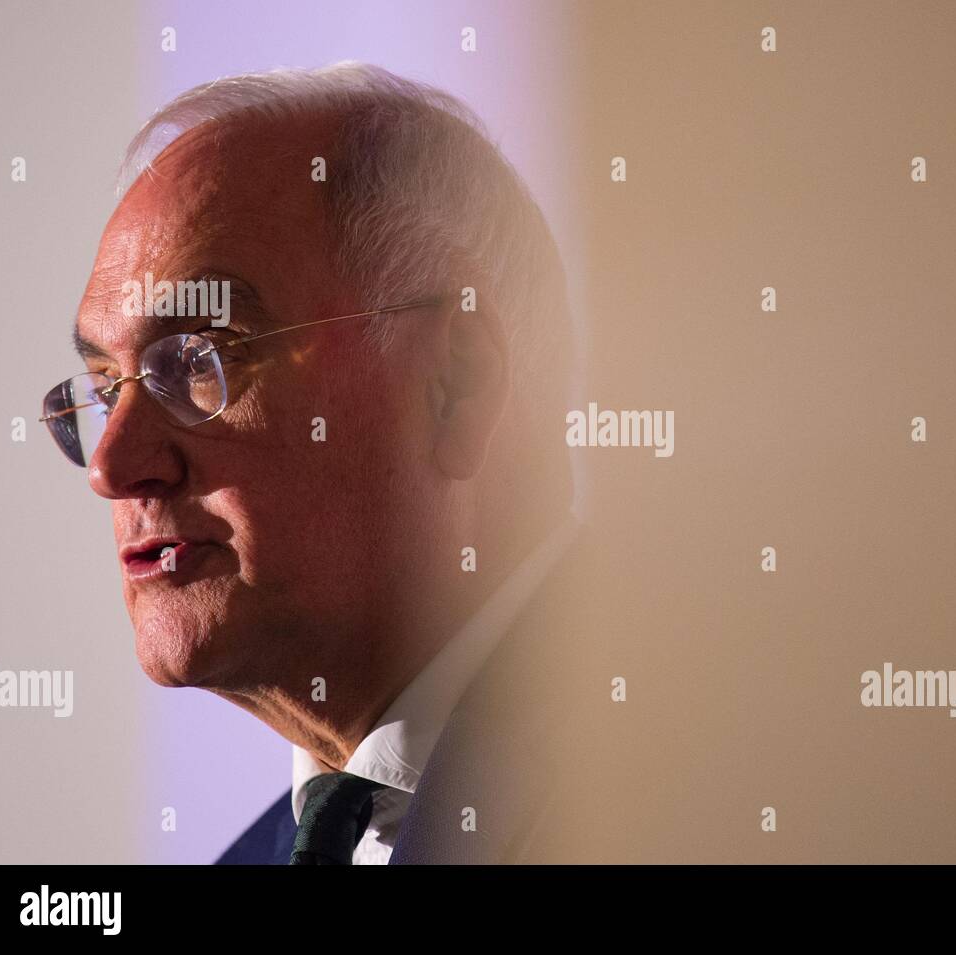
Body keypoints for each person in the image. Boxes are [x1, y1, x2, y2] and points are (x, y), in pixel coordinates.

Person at [37, 62, 585, 864]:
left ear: (455, 386)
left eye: (197, 359)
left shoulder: (687, 763)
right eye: (100, 386)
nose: (113, 466)